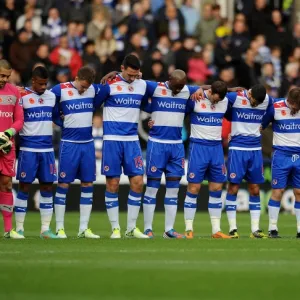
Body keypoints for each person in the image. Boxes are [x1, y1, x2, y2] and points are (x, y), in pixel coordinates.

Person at [98, 54, 152, 239]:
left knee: (138, 183)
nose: (132, 79)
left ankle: (131, 228)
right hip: (112, 140)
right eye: (129, 75)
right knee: (112, 184)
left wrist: (152, 119)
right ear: (122, 68)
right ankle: (115, 229)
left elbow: (146, 106)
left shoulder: (142, 84)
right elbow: (94, 103)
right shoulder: (109, 85)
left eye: (135, 75)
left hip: (132, 140)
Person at [142, 70, 199, 238]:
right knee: (152, 188)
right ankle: (147, 228)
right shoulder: (155, 87)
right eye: (176, 86)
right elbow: (136, 84)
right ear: (169, 80)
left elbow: (208, 88)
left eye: (181, 87)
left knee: (173, 190)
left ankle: (169, 230)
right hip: (157, 145)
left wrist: (201, 89)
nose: (178, 90)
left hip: (176, 146)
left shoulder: (187, 90)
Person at [51, 66, 103, 239]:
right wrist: (59, 120)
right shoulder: (61, 89)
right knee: (63, 184)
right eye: (82, 86)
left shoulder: (93, 89)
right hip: (69, 144)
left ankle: (83, 228)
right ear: (76, 77)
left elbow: (109, 87)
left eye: (86, 88)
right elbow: (45, 100)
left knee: (87, 184)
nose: (84, 90)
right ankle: (59, 228)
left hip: (87, 144)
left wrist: (112, 74)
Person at [14, 66, 59, 238]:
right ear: (33, 81)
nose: (43, 87)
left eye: (45, 84)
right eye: (40, 84)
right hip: (28, 149)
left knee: (47, 186)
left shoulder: (51, 96)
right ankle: (19, 228)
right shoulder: (22, 96)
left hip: (47, 149)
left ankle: (45, 230)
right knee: (24, 187)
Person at [183, 81, 232, 239]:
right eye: (214, 99)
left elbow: (239, 93)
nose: (216, 103)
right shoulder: (195, 98)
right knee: (194, 188)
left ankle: (216, 230)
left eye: (219, 101)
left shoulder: (224, 101)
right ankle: (189, 228)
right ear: (209, 91)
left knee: (217, 188)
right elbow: (180, 111)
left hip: (216, 149)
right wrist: (199, 88)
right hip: (198, 147)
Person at [225, 84, 272, 238]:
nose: (256, 104)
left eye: (259, 103)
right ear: (249, 93)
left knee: (255, 189)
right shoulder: (236, 97)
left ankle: (255, 229)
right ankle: (232, 228)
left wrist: (263, 124)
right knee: (233, 188)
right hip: (237, 150)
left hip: (255, 151)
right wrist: (231, 89)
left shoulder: (266, 101)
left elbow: (274, 108)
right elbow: (218, 95)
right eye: (253, 101)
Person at [262, 87, 300, 238]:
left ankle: (299, 229)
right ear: (289, 101)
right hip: (281, 155)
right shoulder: (275, 108)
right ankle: (272, 228)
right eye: (295, 105)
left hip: (299, 155)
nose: (296, 108)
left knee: (299, 192)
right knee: (278, 191)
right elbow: (261, 126)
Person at [0, 59, 24, 239]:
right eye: (1, 75)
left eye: (7, 76)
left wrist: (7, 133)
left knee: (7, 184)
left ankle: (8, 230)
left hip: (7, 146)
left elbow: (19, 120)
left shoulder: (14, 91)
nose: (4, 79)